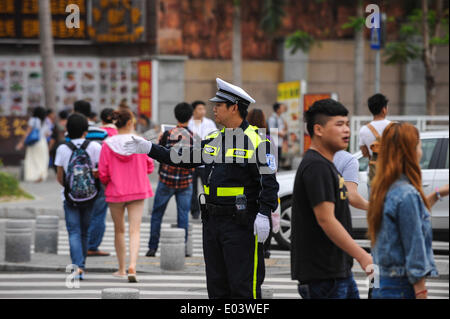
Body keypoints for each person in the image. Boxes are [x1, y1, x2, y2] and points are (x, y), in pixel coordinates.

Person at [124, 78, 279, 299]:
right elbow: (182, 157)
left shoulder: (258, 140)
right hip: (213, 223)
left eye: (218, 105)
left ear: (234, 107)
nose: (212, 109)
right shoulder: (215, 139)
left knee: (243, 288)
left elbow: (269, 183)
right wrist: (150, 148)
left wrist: (264, 214)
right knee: (216, 287)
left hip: (241, 224)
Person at [291, 99, 373, 299]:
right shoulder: (316, 167)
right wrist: (362, 256)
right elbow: (326, 219)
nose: (346, 130)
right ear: (318, 129)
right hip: (323, 277)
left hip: (337, 273)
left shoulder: (328, 165)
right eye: (339, 124)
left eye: (346, 124)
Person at [367, 123, 449, 299]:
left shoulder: (382, 188)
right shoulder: (407, 194)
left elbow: (408, 217)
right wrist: (421, 291)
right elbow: (414, 248)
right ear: (409, 151)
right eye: (418, 144)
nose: (421, 150)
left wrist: (437, 194)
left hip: (382, 283)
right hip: (401, 286)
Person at [98, 109, 154, 282]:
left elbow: (103, 172)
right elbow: (150, 167)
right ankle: (133, 266)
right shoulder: (140, 141)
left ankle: (121, 268)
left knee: (119, 230)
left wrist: (111, 181)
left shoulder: (107, 144)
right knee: (134, 230)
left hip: (115, 191)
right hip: (137, 189)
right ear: (130, 123)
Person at [54, 113, 102, 280]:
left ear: (67, 130)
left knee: (73, 231)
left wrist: (71, 188)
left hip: (69, 197)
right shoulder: (95, 147)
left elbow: (59, 176)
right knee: (85, 231)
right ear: (85, 131)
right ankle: (82, 265)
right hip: (90, 196)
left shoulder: (62, 148)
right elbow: (100, 173)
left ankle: (77, 267)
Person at [145, 102, 195, 257]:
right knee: (183, 216)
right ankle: (182, 249)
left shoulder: (168, 134)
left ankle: (152, 247)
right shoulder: (193, 136)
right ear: (190, 117)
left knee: (157, 214)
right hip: (185, 182)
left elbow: (160, 154)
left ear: (175, 115)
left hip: (166, 180)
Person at [73, 100, 110, 257]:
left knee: (80, 211)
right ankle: (92, 246)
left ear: (75, 111)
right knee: (99, 212)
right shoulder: (101, 132)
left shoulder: (71, 132)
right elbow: (107, 154)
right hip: (98, 176)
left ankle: (81, 244)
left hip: (77, 178)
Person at [247, 108, 274, 259]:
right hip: (268, 176)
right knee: (266, 212)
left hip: (254, 181)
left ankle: (259, 244)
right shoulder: (267, 138)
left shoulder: (246, 137)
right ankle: (266, 247)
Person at [188, 100, 217, 219]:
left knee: (208, 187)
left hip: (206, 161)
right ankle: (195, 212)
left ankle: (209, 209)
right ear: (194, 110)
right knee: (192, 189)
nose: (203, 111)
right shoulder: (189, 123)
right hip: (193, 162)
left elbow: (215, 137)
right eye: (200, 109)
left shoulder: (209, 123)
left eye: (204, 109)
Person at [359, 94, 391, 191]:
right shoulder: (395, 126)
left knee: (374, 205)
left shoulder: (364, 130)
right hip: (393, 174)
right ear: (384, 109)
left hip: (374, 175)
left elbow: (364, 153)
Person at [15, 106, 50, 182]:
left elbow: (27, 132)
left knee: (32, 159)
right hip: (43, 142)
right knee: (42, 159)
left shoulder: (33, 120)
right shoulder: (46, 121)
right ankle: (42, 175)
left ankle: (34, 176)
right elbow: (48, 133)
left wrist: (21, 142)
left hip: (34, 142)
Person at [267, 102, 287, 169]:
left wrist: (284, 132)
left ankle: (277, 170)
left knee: (278, 157)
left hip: (280, 141)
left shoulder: (280, 118)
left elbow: (283, 127)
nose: (283, 109)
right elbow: (271, 130)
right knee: (274, 157)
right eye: (281, 108)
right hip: (274, 141)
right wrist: (281, 133)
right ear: (277, 109)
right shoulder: (272, 118)